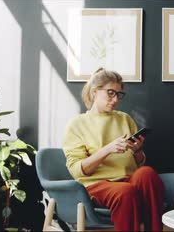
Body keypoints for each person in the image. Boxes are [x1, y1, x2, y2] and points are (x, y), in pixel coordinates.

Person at [62, 67, 164, 231]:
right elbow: (77, 170)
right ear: (95, 91)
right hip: (96, 185)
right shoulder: (77, 124)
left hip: (128, 180)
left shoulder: (125, 119)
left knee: (147, 173)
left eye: (118, 94)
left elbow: (138, 163)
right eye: (110, 93)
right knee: (125, 191)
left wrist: (137, 151)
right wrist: (107, 149)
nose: (115, 99)